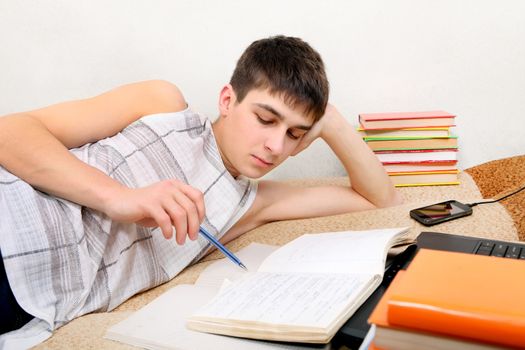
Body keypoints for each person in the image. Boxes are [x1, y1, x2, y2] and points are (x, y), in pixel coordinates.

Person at [0, 35, 401, 346]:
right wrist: (117, 197)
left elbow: (379, 198)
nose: (277, 147)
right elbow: (9, 132)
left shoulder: (250, 204)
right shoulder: (162, 105)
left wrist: (330, 121)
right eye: (265, 119)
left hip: (25, 298)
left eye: (295, 134)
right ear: (228, 100)